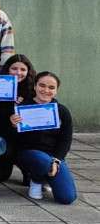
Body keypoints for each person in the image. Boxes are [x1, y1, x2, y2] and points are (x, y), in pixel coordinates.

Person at [13, 72, 77, 204]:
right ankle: (36, 180)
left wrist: (57, 160)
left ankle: (45, 174)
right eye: (42, 85)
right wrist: (13, 126)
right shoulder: (22, 108)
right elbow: (13, 140)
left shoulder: (62, 112)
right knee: (42, 160)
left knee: (67, 198)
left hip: (52, 155)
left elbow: (65, 140)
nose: (46, 90)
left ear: (56, 90)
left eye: (51, 87)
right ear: (35, 86)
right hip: (28, 154)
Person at [0, 54, 36, 183]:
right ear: (7, 69)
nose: (18, 73)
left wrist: (24, 105)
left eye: (23, 70)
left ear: (28, 71)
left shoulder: (33, 90)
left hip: (27, 139)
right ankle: (6, 163)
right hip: (5, 136)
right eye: (14, 68)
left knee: (28, 162)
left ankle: (29, 170)